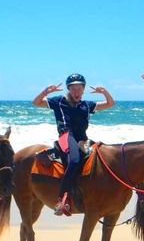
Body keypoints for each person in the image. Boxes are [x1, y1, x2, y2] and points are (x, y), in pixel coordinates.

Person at [32, 73, 115, 216]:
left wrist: (104, 92)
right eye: (73, 89)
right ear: (69, 89)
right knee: (75, 161)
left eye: (79, 89)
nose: (76, 92)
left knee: (100, 158)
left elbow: (110, 104)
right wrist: (46, 92)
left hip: (82, 139)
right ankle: (61, 200)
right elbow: (36, 102)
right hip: (66, 136)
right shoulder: (59, 101)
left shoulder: (87, 105)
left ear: (83, 90)